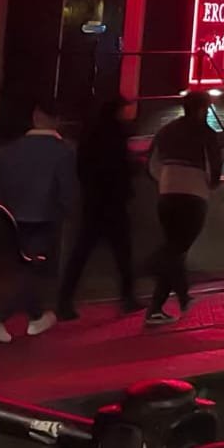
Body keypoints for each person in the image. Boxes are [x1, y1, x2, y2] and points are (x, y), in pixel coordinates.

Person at [0, 100, 76, 343]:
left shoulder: (10, 151)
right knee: (32, 269)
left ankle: (36, 316)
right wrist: (69, 212)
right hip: (44, 216)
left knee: (26, 268)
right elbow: (67, 191)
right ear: (58, 120)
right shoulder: (64, 151)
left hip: (12, 215)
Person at [57, 96, 140, 319]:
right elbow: (122, 167)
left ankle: (64, 300)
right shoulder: (117, 135)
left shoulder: (90, 135)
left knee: (81, 253)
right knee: (122, 253)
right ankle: (128, 298)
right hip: (113, 201)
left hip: (94, 201)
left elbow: (83, 167)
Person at [144, 91, 222, 326]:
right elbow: (214, 166)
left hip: (167, 193)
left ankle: (179, 299)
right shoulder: (206, 133)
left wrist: (164, 179)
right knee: (176, 250)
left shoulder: (166, 130)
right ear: (201, 109)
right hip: (193, 194)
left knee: (174, 248)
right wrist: (209, 183)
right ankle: (162, 298)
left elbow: (151, 163)